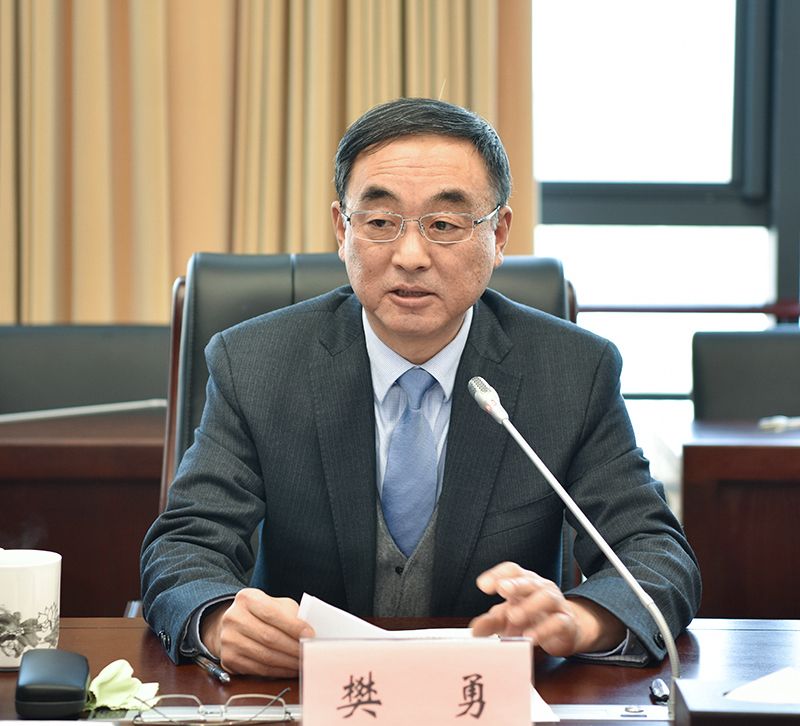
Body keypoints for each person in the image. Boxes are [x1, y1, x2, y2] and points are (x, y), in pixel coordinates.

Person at [140, 97, 700, 678]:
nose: (410, 256)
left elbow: (654, 554)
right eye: (381, 223)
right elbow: (185, 545)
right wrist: (217, 620)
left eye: (445, 225)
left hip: (493, 695)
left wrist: (582, 621)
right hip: (303, 692)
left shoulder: (572, 372)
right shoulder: (256, 364)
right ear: (343, 230)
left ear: (499, 234)